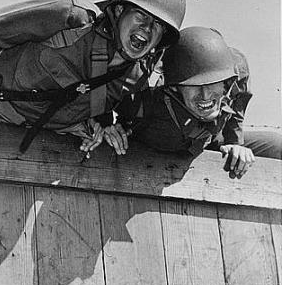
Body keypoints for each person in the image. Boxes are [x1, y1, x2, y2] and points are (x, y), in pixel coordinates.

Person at [0, 0, 186, 153]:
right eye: (141, 16)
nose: (147, 28)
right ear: (118, 11)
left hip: (36, 145)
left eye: (157, 25)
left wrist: (101, 125)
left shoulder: (137, 76)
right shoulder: (68, 14)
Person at [108, 26, 282, 178]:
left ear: (226, 81)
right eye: (194, 86)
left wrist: (234, 143)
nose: (205, 95)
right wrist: (109, 126)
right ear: (175, 88)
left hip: (208, 142)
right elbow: (109, 100)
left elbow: (238, 101)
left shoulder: (235, 70)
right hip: (155, 149)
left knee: (277, 145)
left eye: (212, 83)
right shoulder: (146, 101)